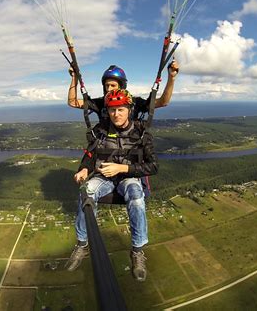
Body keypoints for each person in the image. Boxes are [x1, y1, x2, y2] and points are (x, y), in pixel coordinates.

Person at [65, 89, 159, 282]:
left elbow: (153, 166)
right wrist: (83, 169)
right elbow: (90, 155)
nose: (116, 114)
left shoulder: (141, 133)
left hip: (128, 177)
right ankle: (82, 244)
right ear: (107, 111)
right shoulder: (101, 130)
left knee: (135, 194)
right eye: (112, 110)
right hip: (104, 178)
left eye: (121, 109)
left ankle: (138, 251)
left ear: (130, 110)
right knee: (87, 191)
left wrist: (122, 168)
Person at [67, 61, 179, 123]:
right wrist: (74, 78)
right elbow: (73, 102)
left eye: (113, 85)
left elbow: (162, 102)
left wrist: (171, 78)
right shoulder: (101, 103)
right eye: (107, 85)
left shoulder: (135, 102)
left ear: (122, 86)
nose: (109, 89)